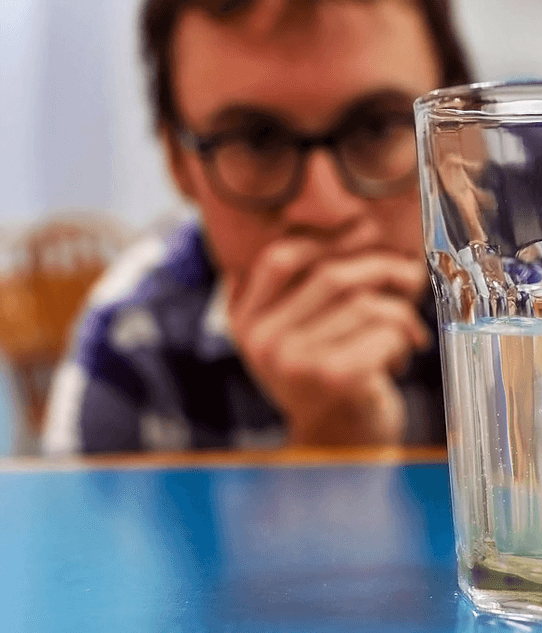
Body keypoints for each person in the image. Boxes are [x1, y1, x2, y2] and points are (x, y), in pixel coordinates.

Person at [42, 0, 471, 454]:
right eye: (256, 140)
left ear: (462, 137)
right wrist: (329, 444)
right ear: (177, 162)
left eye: (377, 128)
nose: (325, 209)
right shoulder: (130, 347)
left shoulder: (530, 309)